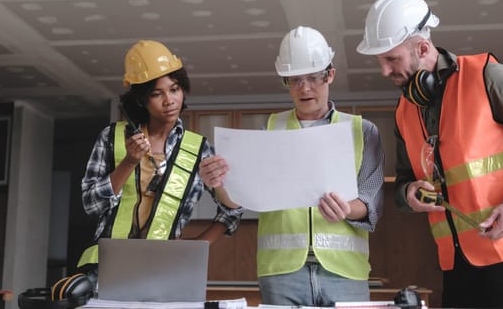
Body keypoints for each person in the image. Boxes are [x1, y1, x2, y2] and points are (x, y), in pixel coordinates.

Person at [356, 0, 503, 308]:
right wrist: (409, 194)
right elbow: (402, 185)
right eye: (381, 61)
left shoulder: (487, 78)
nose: (384, 71)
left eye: (391, 59)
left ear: (423, 47)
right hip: (456, 267)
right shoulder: (404, 111)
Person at [200, 26, 385, 306]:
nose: (304, 88)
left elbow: (371, 200)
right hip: (282, 273)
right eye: (295, 79)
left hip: (344, 272)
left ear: (330, 74)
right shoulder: (270, 131)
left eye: (313, 78)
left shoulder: (362, 131)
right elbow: (236, 202)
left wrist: (348, 208)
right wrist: (218, 184)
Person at [77, 39, 242, 289]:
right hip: (106, 270)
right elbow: (91, 204)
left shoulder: (199, 150)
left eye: (174, 89)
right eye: (156, 94)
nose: (169, 100)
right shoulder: (112, 138)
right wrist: (129, 162)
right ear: (142, 100)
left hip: (166, 272)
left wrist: (199, 245)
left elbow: (233, 209)